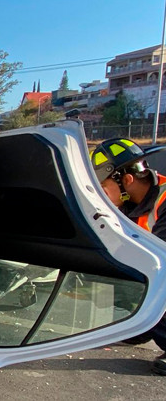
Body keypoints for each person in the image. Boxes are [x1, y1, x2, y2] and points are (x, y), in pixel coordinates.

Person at [92, 137, 166, 375]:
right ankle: (139, 329)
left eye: (103, 189)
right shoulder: (128, 202)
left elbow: (158, 257)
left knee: (155, 274)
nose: (101, 196)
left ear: (127, 180)